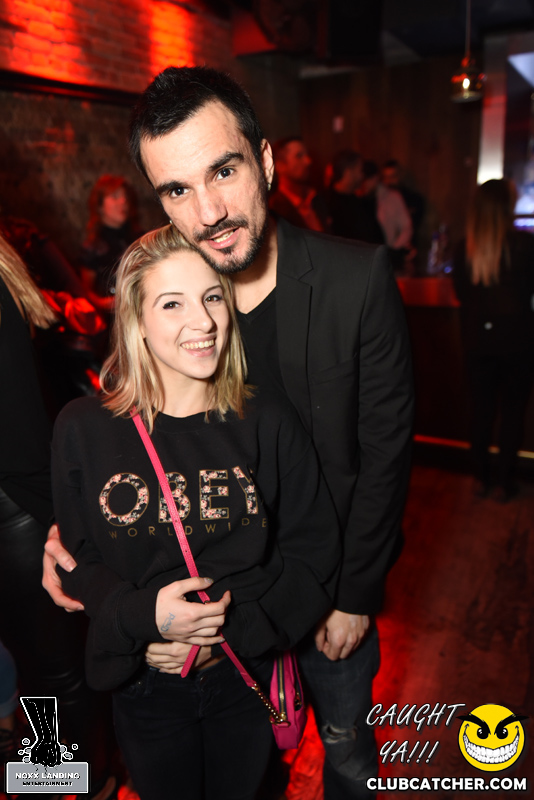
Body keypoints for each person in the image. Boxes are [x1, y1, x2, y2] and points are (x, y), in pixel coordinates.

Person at [43, 66, 414, 799]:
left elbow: (385, 455)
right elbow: (126, 444)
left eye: (223, 170)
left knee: (345, 757)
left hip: (325, 583)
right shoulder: (178, 294)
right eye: (177, 190)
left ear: (265, 161)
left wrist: (354, 595)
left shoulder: (355, 280)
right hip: (211, 611)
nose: (208, 211)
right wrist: (81, 548)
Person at [51, 223, 340, 800]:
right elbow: (78, 558)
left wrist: (230, 632)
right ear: (135, 319)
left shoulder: (267, 420)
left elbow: (313, 553)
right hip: (144, 685)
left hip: (243, 675)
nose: (203, 321)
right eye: (172, 303)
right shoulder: (83, 429)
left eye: (212, 297)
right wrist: (145, 619)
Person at [0, 233, 116, 800]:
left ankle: (91, 784)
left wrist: (53, 512)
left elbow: (18, 418)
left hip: (17, 506)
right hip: (22, 499)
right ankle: (54, 779)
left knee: (54, 669)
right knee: (38, 667)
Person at [452, 179, 534, 502]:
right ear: (507, 207)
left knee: (481, 412)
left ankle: (480, 478)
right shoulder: (525, 244)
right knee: (513, 413)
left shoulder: (465, 248)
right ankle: (504, 482)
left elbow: (461, 294)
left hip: (479, 342)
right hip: (519, 341)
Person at [80, 175, 141, 309]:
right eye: (115, 196)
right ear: (100, 206)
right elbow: (85, 291)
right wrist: (103, 304)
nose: (123, 201)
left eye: (125, 197)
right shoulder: (93, 247)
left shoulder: (140, 238)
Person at [361, 160, 413, 273]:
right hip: (363, 260)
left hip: (386, 260)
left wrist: (393, 250)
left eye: (367, 179)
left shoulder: (392, 198)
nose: (364, 184)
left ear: (375, 178)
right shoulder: (357, 200)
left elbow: (406, 227)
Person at [269, 136, 329, 231]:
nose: (308, 161)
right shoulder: (274, 210)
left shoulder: (316, 198)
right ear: (280, 166)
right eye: (299, 156)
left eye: (307, 155)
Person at [326, 150, 384, 243]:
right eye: (360, 170)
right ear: (349, 172)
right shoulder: (327, 203)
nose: (362, 175)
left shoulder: (359, 202)